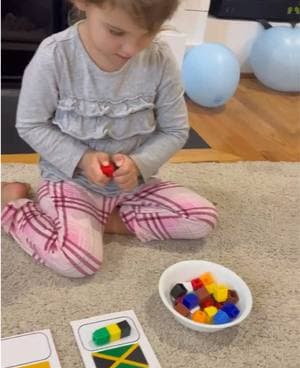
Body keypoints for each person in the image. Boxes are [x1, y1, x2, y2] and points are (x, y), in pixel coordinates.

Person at [1, 0, 218, 278]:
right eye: (116, 32)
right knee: (77, 261)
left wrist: (139, 165)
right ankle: (11, 205)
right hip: (70, 182)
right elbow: (31, 125)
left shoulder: (159, 57)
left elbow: (175, 131)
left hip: (130, 186)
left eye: (148, 33)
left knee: (201, 218)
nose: (131, 48)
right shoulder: (55, 55)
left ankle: (104, 222)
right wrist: (82, 158)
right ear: (84, 3)